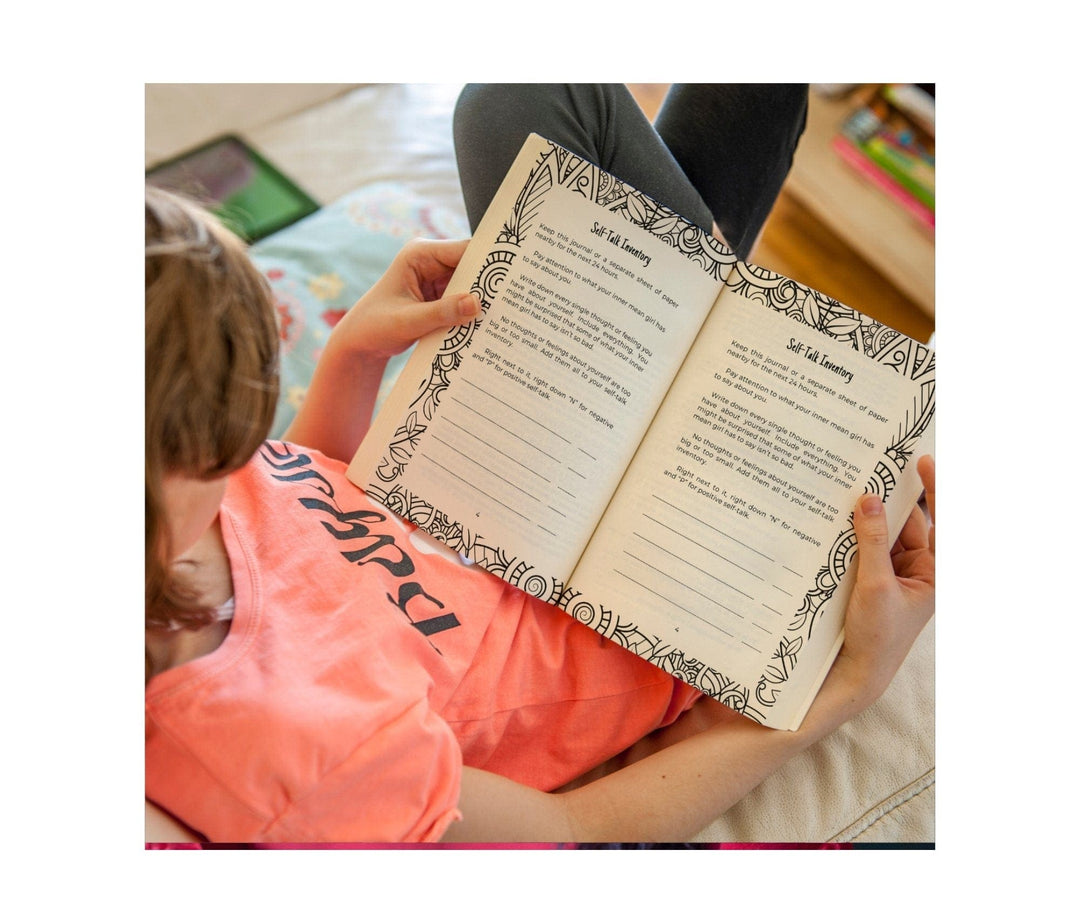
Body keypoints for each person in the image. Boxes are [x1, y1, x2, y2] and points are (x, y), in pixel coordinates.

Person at [145, 85, 935, 844]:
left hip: (516, 462)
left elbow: (302, 501)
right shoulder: (292, 759)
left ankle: (708, 303)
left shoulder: (171, 504)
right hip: (667, 579)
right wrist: (845, 692)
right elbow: (576, 831)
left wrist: (354, 352)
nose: (247, 448)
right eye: (229, 432)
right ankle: (715, 306)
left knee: (514, 99)